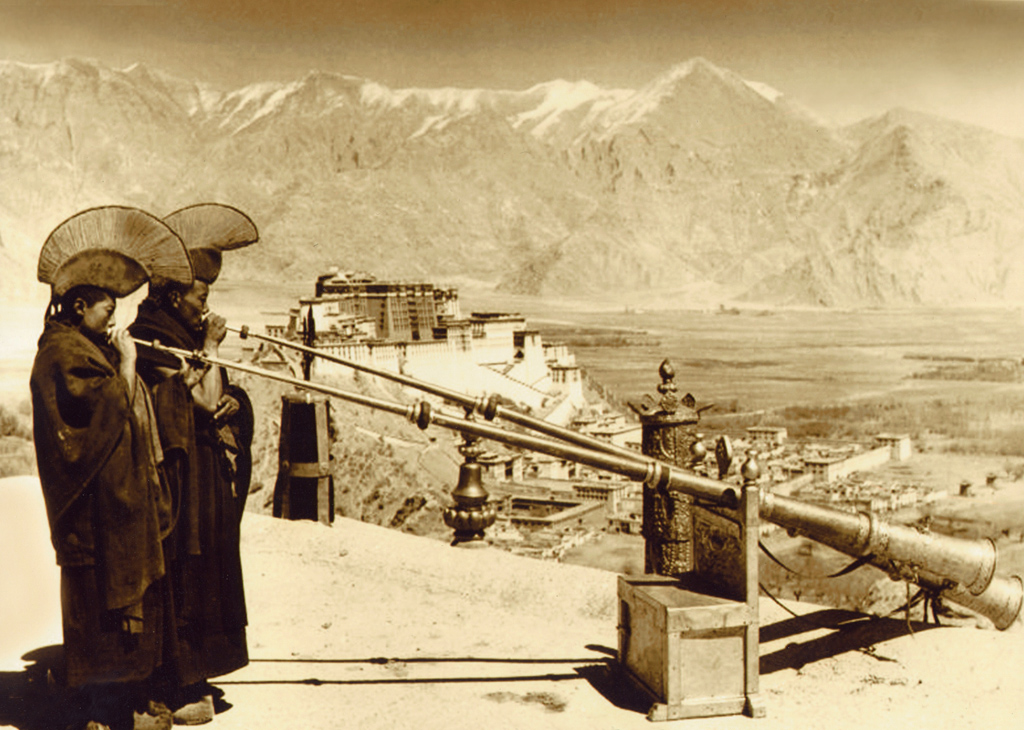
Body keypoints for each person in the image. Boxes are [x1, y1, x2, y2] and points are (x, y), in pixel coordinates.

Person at [30, 206, 194, 730]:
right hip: (92, 511)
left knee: (119, 611)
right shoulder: (62, 353)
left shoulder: (83, 344)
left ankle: (124, 703)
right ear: (79, 306)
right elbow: (97, 415)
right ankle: (100, 713)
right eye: (106, 309)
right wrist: (126, 365)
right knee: (97, 611)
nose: (113, 320)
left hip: (117, 506)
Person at [129, 203, 258, 725]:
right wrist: (210, 350)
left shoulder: (177, 331)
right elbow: (201, 402)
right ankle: (177, 681)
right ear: (176, 295)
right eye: (202, 296)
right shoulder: (153, 333)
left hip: (202, 471)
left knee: (206, 568)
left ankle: (197, 673)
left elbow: (215, 395)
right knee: (183, 569)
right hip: (176, 477)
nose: (207, 308)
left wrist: (234, 400)